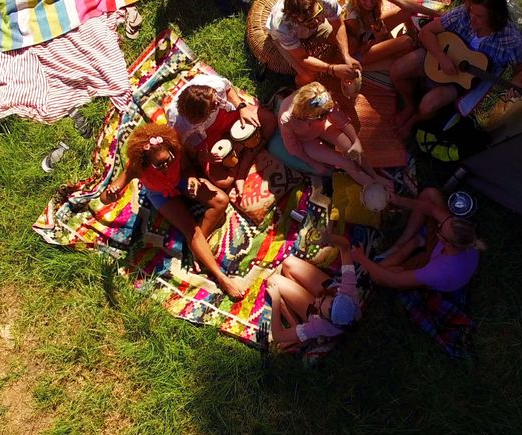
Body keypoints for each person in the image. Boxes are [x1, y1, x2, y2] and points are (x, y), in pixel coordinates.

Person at [102, 123, 247, 300]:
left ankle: (196, 247)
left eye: (167, 160)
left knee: (221, 201)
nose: (165, 166)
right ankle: (221, 277)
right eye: (159, 165)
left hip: (180, 181)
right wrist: (110, 195)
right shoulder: (136, 167)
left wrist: (193, 177)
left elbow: (186, 167)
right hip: (161, 195)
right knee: (190, 229)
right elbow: (105, 198)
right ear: (146, 161)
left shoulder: (175, 146)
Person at [389, 0, 522, 138]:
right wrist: (441, 57)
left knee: (428, 106)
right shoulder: (464, 13)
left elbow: (521, 71)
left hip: (462, 81)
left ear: (495, 18)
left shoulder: (511, 40)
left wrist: (516, 83)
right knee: (396, 70)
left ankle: (414, 119)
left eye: (479, 17)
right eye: (471, 13)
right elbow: (426, 32)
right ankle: (409, 106)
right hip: (438, 57)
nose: (472, 19)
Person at [346, 188, 485, 292]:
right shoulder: (460, 232)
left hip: (433, 264)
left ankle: (414, 244)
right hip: (439, 252)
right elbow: (430, 209)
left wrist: (361, 258)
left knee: (378, 275)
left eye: (440, 228)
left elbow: (393, 280)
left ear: (446, 242)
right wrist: (399, 200)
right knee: (430, 194)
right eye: (445, 221)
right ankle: (404, 242)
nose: (439, 223)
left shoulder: (439, 270)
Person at [165, 73, 276, 196]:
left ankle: (241, 167)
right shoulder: (179, 123)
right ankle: (241, 149)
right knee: (223, 181)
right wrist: (203, 156)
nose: (218, 102)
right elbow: (185, 148)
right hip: (209, 136)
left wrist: (242, 108)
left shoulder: (212, 85)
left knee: (269, 120)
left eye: (216, 98)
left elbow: (228, 89)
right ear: (200, 118)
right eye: (213, 106)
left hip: (228, 115)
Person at [277, 81, 388, 189]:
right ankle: (374, 187)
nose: (325, 116)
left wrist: (356, 142)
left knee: (351, 149)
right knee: (346, 164)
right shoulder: (287, 120)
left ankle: (374, 175)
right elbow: (293, 148)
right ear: (307, 115)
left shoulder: (323, 101)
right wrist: (313, 164)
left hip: (322, 127)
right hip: (305, 141)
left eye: (327, 113)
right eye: (321, 116)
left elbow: (343, 122)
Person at [341, 0, 442, 71]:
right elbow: (353, 51)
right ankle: (400, 58)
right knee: (406, 42)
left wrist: (439, 14)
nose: (369, 3)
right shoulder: (353, 19)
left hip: (372, 32)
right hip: (360, 53)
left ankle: (412, 35)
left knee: (407, 10)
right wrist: (378, 39)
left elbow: (405, 3)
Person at [267, 0, 362, 88]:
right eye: (311, 20)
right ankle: (296, 90)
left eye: (319, 13)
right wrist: (331, 69)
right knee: (308, 76)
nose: (320, 21)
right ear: (295, 19)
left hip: (311, 30)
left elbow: (338, 25)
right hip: (289, 38)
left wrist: (346, 55)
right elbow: (302, 57)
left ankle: (339, 70)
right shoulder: (282, 28)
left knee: (351, 43)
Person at [266, 249, 361, 349]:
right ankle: (297, 294)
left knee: (273, 282)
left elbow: (278, 335)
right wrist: (329, 238)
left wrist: (276, 300)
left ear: (326, 319)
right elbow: (344, 248)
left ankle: (298, 330)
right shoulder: (348, 290)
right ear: (337, 295)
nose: (317, 301)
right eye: (322, 298)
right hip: (328, 287)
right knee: (288, 263)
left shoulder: (320, 326)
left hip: (312, 313)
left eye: (319, 310)